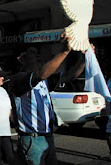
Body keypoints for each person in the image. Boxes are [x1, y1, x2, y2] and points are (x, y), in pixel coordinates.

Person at [8, 35, 85, 165]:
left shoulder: (45, 80)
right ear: (21, 59)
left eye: (37, 53)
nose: (37, 55)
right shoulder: (18, 79)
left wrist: (83, 59)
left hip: (47, 137)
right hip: (33, 139)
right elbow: (41, 74)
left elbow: (69, 76)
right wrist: (64, 52)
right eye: (32, 53)